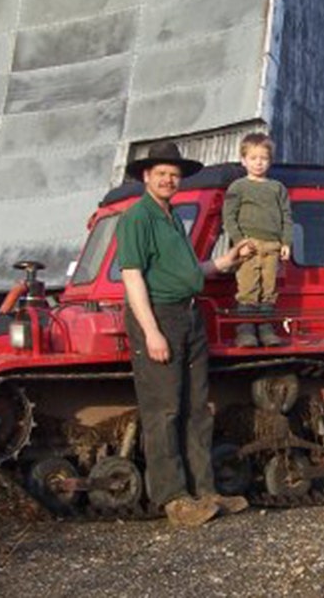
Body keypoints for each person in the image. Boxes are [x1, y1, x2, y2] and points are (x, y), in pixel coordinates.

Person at [116, 142, 254, 528]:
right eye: (161, 173)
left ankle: (205, 492)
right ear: (146, 176)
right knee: (164, 413)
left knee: (196, 409)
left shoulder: (171, 217)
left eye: (174, 174)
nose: (168, 179)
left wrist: (226, 261)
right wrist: (152, 333)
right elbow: (132, 277)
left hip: (189, 316)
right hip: (160, 318)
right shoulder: (137, 218)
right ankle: (174, 500)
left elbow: (189, 271)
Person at [221, 133, 293, 347]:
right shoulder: (238, 187)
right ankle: (245, 331)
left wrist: (286, 242)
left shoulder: (277, 188)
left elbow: (286, 217)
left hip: (272, 247)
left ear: (269, 161)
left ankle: (266, 329)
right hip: (248, 246)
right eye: (253, 158)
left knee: (269, 290)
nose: (258, 162)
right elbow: (229, 217)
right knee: (248, 289)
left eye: (263, 158)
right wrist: (239, 242)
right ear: (243, 160)